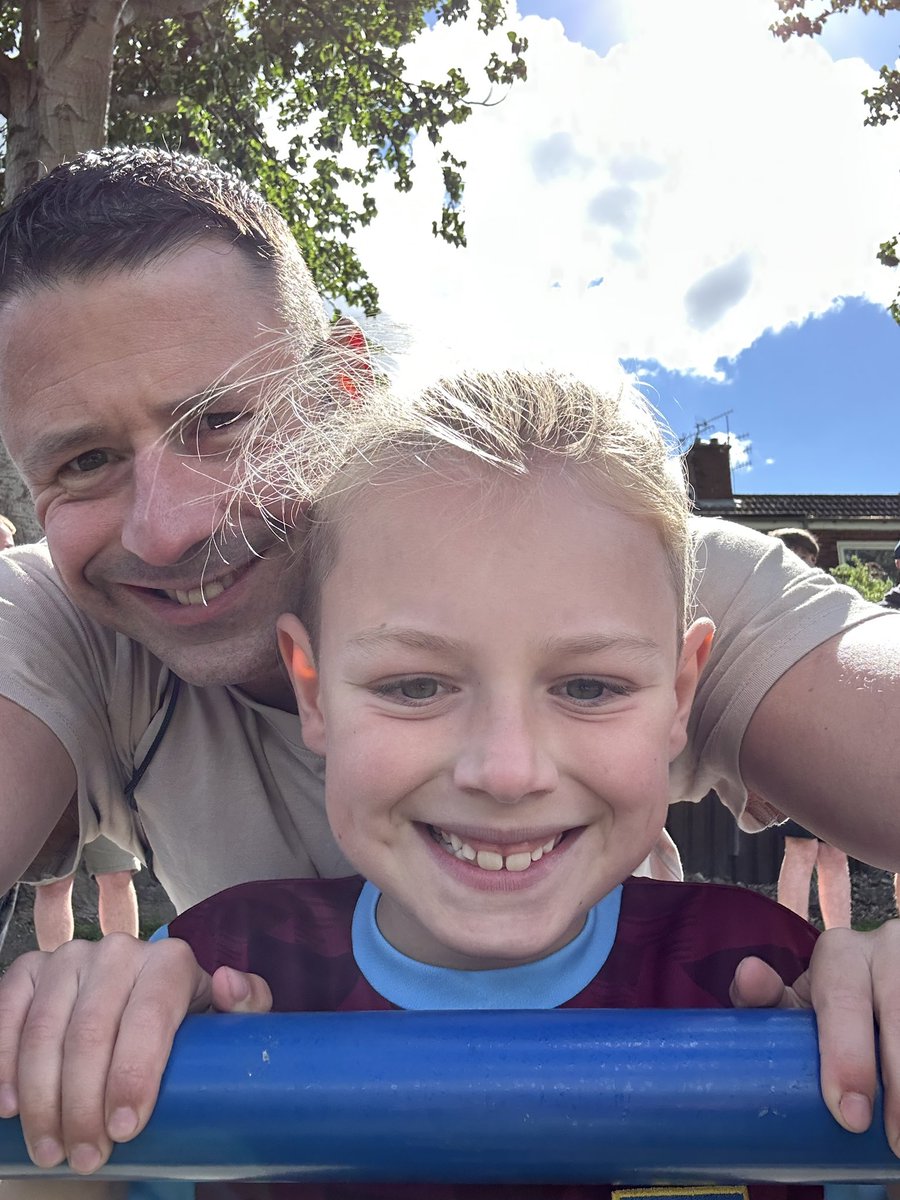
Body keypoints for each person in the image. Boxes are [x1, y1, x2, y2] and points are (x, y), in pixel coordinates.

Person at [0, 147, 899, 1137]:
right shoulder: (62, 626)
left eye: (219, 422)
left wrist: (870, 976)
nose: (167, 527)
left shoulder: (625, 564)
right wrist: (81, 1007)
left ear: (342, 382)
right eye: (84, 462)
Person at [766, 531, 851, 930]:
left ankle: (841, 940)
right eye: (795, 555)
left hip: (834, 743)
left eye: (809, 558)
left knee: (836, 850)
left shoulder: (830, 607)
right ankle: (792, 939)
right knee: (800, 848)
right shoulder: (766, 612)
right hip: (792, 745)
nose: (803, 563)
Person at [28, 837, 141, 952]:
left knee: (118, 874)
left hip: (108, 818)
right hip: (51, 819)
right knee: (53, 885)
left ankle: (124, 962)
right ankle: (58, 967)